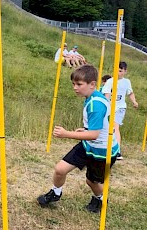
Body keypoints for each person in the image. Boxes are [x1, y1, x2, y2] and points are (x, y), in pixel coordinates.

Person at [37, 64, 119, 214]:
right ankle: (55, 193)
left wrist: (66, 134)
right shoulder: (91, 96)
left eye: (79, 84)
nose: (75, 87)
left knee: (91, 181)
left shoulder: (95, 104)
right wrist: (86, 130)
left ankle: (100, 198)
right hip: (88, 145)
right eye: (73, 84)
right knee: (60, 169)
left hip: (102, 150)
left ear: (92, 84)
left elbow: (94, 134)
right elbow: (96, 128)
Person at [102, 61, 138, 160]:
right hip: (110, 107)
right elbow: (106, 95)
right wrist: (106, 107)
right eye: (117, 70)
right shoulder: (110, 81)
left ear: (125, 71)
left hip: (121, 107)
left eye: (121, 71)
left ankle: (117, 151)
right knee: (108, 128)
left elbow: (130, 93)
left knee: (115, 127)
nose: (118, 72)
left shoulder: (127, 82)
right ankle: (106, 147)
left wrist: (134, 101)